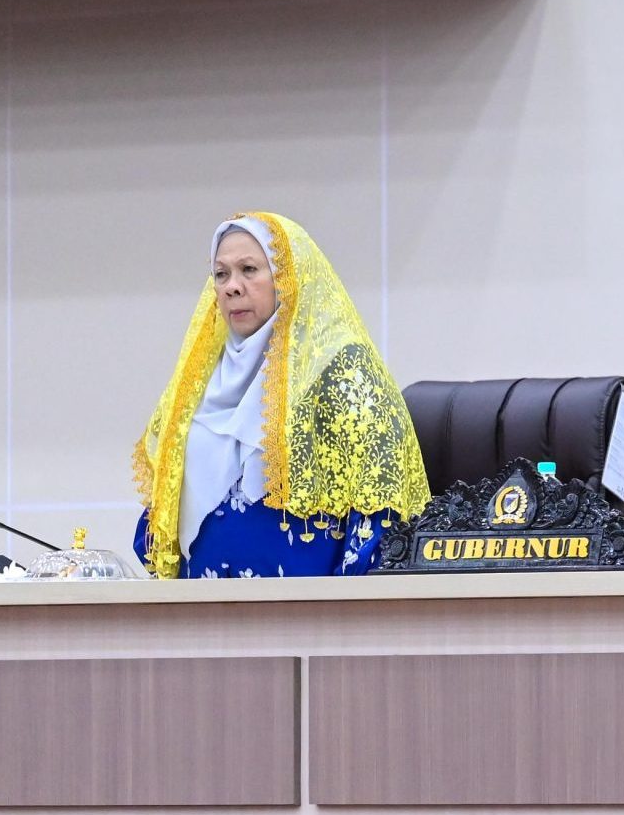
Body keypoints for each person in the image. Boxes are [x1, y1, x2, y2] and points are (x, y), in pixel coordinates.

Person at [131, 213, 428, 578]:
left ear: (287, 278)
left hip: (308, 608)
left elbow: (380, 504)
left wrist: (348, 604)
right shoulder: (198, 382)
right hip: (202, 608)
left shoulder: (340, 369)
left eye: (249, 270)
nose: (232, 287)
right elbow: (159, 524)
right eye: (221, 274)